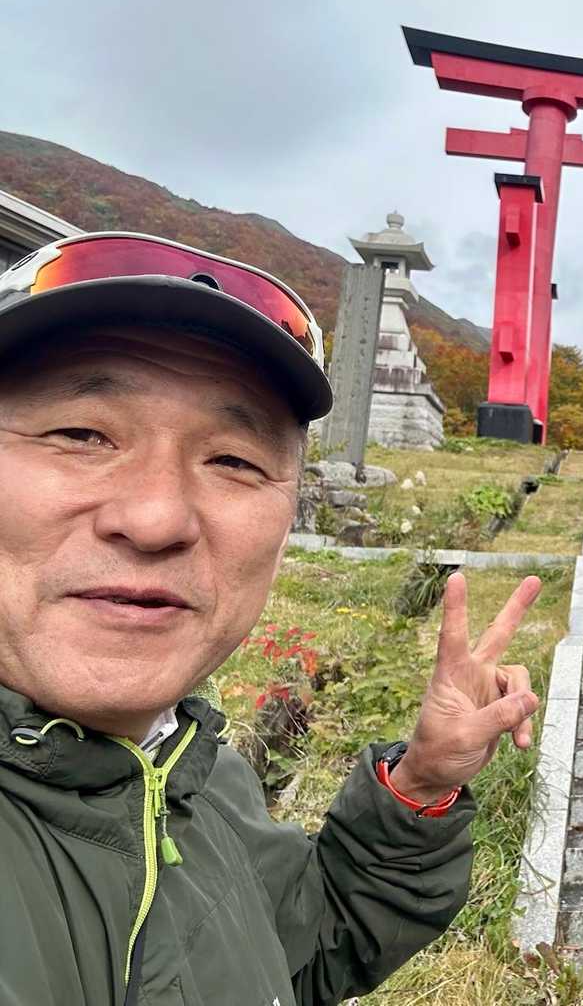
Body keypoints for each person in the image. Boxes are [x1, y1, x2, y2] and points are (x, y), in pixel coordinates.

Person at [0, 232, 542, 1006]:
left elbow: (302, 949)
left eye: (233, 460)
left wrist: (420, 784)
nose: (155, 518)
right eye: (81, 434)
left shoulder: (194, 771)